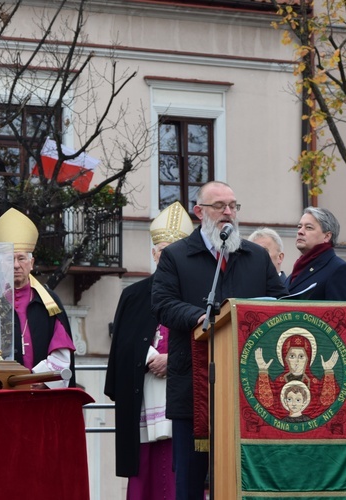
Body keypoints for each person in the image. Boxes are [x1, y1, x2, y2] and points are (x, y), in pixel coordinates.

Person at [151, 181, 287, 500]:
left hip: (249, 389)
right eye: (219, 206)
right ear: (199, 212)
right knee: (191, 479)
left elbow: (279, 302)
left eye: (233, 206)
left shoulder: (255, 257)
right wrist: (199, 317)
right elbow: (162, 303)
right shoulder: (176, 256)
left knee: (246, 477)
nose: (228, 212)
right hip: (193, 389)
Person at [104, 201, 193, 500]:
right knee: (145, 472)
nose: (167, 258)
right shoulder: (133, 295)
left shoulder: (198, 294)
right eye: (162, 252)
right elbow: (121, 347)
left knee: (180, 470)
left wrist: (173, 359)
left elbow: (209, 342)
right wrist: (147, 357)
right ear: (154, 255)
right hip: (143, 397)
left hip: (182, 396)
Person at [0, 208, 76, 388]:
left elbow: (61, 351)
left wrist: (40, 379)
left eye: (21, 258)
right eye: (9, 259)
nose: (15, 265)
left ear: (31, 263)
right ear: (0, 263)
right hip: (1, 390)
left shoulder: (49, 302)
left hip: (38, 391)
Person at [254, 327, 339, 420]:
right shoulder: (278, 382)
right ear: (285, 358)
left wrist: (328, 371)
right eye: (292, 356)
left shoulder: (315, 383)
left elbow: (325, 405)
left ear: (308, 358)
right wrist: (263, 371)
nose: (297, 361)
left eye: (301, 356)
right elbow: (269, 405)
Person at [285, 207, 346, 301]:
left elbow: (342, 314)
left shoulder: (339, 270)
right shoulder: (298, 269)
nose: (300, 232)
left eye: (308, 228)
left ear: (327, 236)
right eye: (299, 227)